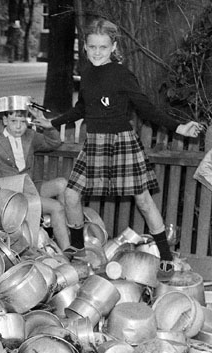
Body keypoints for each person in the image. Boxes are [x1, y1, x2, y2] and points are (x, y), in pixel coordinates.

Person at [47, 18, 202, 278]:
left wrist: (179, 127)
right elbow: (82, 108)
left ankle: (165, 255)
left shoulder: (121, 74)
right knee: (72, 195)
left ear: (113, 46)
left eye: (103, 47)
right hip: (95, 142)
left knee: (142, 199)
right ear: (84, 47)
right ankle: (78, 249)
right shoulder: (86, 73)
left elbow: (146, 108)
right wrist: (52, 122)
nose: (97, 52)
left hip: (121, 142)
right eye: (92, 46)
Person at [0, 100, 71, 249]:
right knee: (56, 207)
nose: (18, 126)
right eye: (14, 121)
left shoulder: (30, 136)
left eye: (23, 122)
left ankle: (61, 230)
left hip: (27, 187)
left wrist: (45, 124)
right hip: (7, 194)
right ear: (5, 120)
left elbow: (53, 142)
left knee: (62, 184)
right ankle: (67, 249)